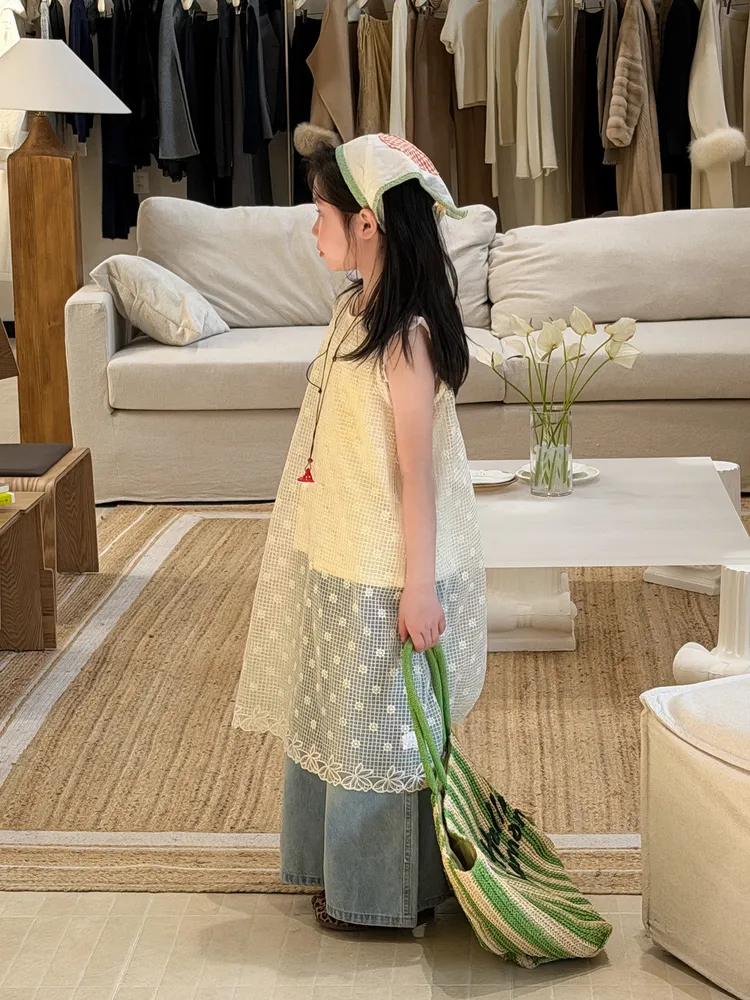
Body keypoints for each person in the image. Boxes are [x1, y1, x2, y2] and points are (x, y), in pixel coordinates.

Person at [232, 127, 488, 931]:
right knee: (340, 714)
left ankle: (382, 897)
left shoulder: (405, 339)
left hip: (388, 570)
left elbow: (417, 475)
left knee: (383, 728)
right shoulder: (355, 310)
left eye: (321, 214)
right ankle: (338, 872)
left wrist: (419, 588)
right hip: (343, 553)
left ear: (367, 225)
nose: (313, 229)